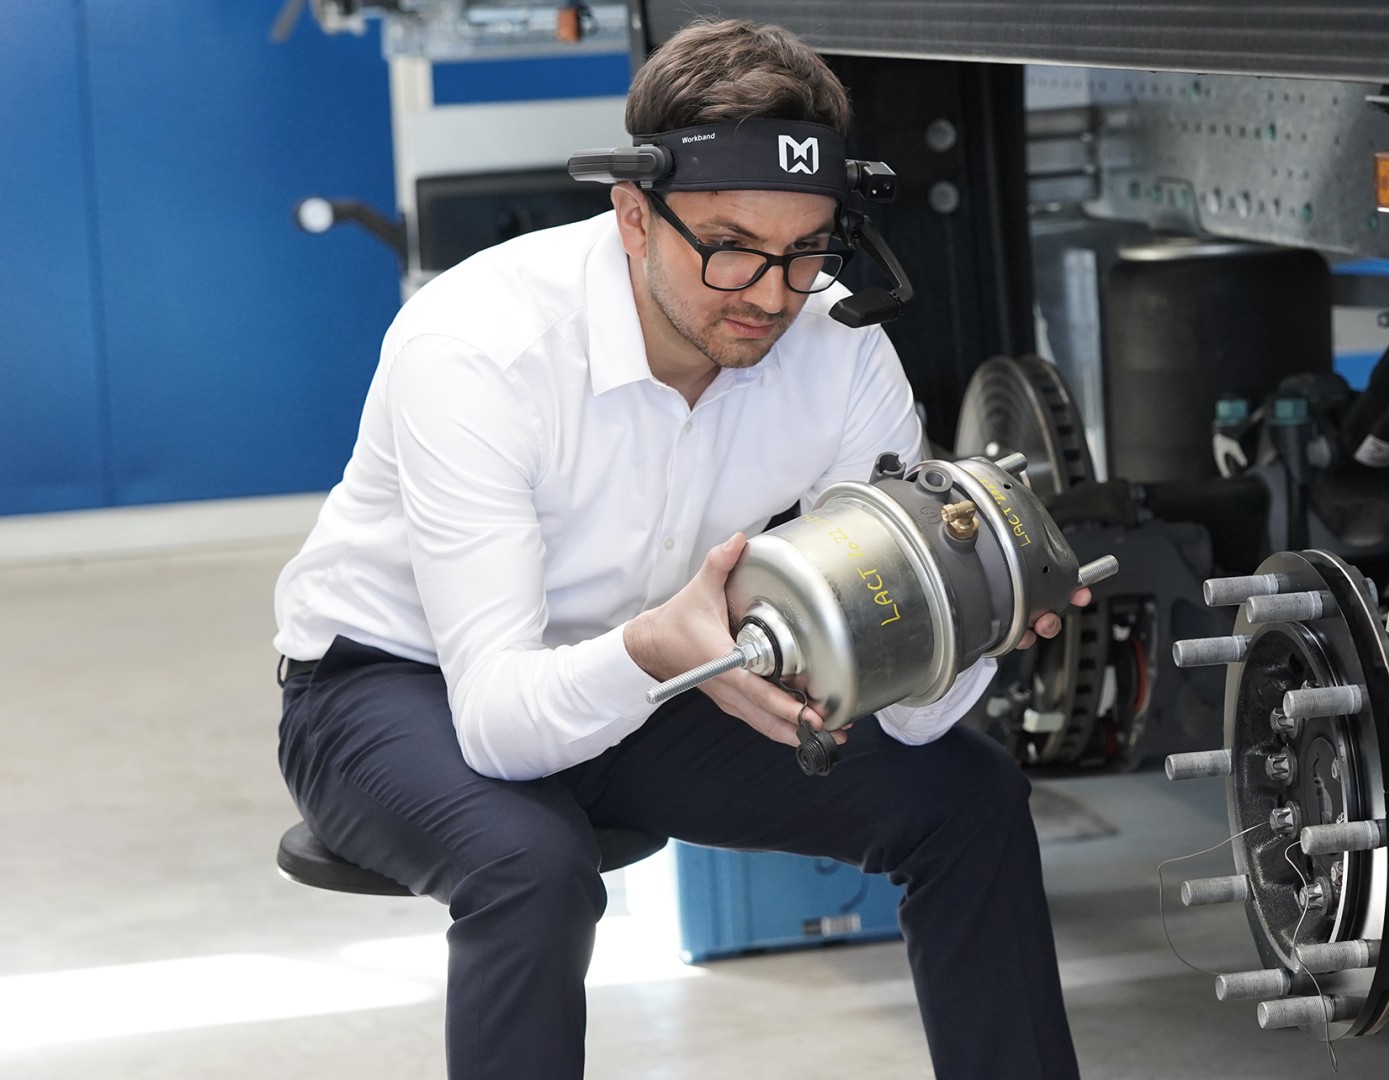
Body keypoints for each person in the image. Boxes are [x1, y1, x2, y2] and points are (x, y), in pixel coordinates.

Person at [272, 16, 1084, 1080]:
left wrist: (967, 628)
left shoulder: (838, 349)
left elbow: (919, 720)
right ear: (633, 216)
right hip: (394, 689)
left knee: (966, 801)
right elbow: (503, 723)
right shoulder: (477, 345)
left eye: (805, 252)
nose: (768, 294)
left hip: (664, 672)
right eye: (730, 247)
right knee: (531, 862)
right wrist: (655, 650)